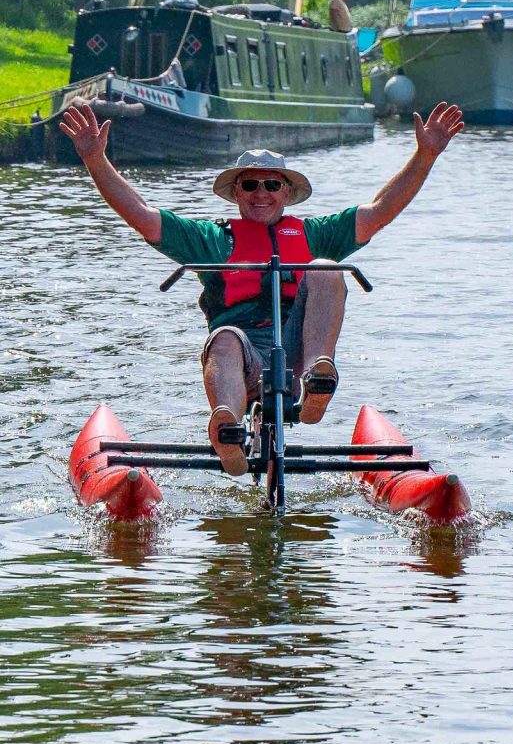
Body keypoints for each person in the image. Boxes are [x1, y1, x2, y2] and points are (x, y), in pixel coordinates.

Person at [57, 101, 465, 475]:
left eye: (272, 185)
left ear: (287, 192)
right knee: (225, 338)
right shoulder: (212, 238)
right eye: (250, 185)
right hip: (242, 357)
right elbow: (143, 216)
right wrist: (95, 159)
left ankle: (315, 384)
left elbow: (379, 212)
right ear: (236, 192)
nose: (261, 193)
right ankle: (229, 431)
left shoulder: (314, 233)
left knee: (325, 267)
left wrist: (425, 155)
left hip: (298, 352)